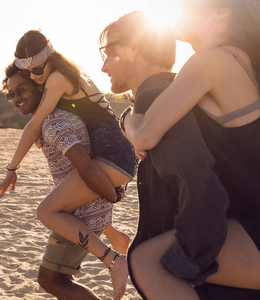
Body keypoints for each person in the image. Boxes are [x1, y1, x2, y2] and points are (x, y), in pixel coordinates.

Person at [98, 10, 258, 300]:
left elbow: (146, 135)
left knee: (147, 262)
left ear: (220, 11)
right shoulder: (232, 61)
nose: (177, 9)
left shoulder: (212, 60)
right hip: (248, 223)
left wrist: (127, 120)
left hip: (251, 225)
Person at [0, 30, 137, 295]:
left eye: (38, 70)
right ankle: (114, 237)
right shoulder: (61, 81)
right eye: (29, 74)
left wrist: (12, 169)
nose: (36, 76)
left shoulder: (58, 79)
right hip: (112, 152)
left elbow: (35, 125)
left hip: (113, 154)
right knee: (68, 197)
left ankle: (114, 262)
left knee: (47, 212)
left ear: (51, 59)